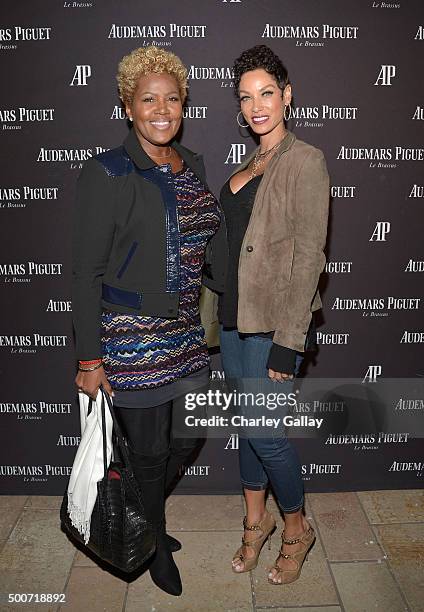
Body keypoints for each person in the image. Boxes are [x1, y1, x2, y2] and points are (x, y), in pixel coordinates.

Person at [72, 46, 220, 596]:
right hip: (131, 337)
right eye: (148, 99)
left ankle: (145, 508)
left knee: (188, 435)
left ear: (184, 104)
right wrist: (90, 358)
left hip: (185, 332)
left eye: (172, 98)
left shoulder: (194, 164)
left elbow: (209, 241)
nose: (162, 109)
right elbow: (84, 272)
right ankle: (153, 541)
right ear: (128, 106)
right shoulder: (107, 172)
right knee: (153, 450)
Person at [205, 45, 329, 585]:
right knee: (249, 428)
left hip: (273, 325)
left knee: (265, 430)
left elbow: (309, 257)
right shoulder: (247, 163)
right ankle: (256, 524)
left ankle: (297, 528)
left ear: (287, 95)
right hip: (233, 320)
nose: (257, 106)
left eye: (267, 93)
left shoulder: (306, 161)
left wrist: (290, 341)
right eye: (246, 97)